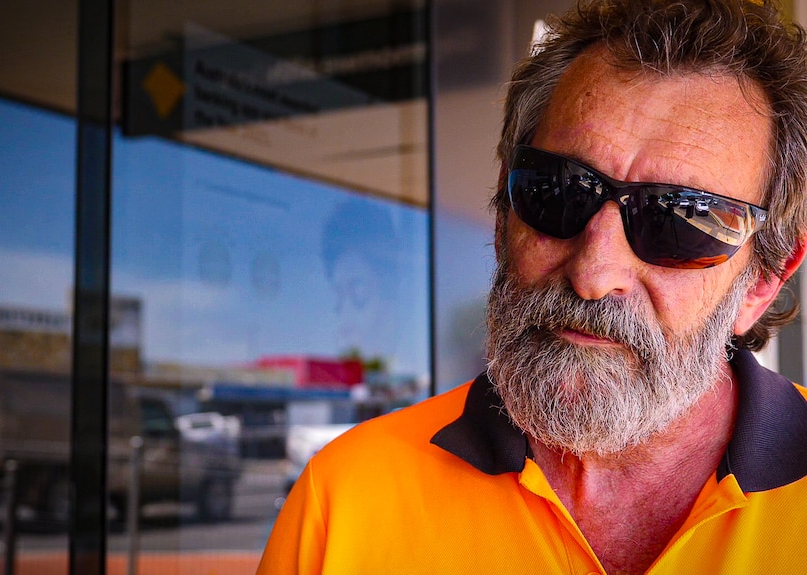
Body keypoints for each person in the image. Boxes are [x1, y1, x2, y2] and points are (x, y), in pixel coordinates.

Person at [257, 0, 807, 572]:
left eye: (678, 221)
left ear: (761, 281)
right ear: (503, 213)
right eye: (560, 191)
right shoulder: (346, 500)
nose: (593, 274)